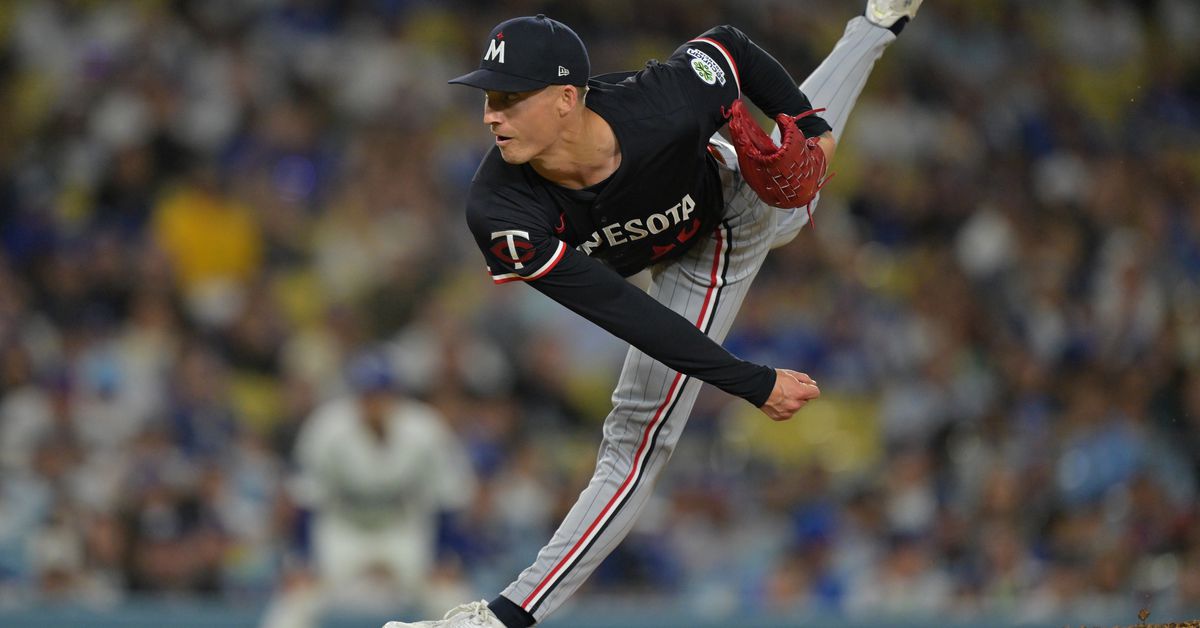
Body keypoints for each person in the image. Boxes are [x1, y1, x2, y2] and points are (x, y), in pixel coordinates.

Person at [386, 1, 923, 626]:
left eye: (509, 98)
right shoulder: (500, 210)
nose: (490, 115)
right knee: (795, 206)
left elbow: (730, 46)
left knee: (637, 436)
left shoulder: (662, 102)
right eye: (488, 98)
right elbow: (625, 311)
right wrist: (748, 380)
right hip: (658, 250)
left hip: (725, 217)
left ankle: (501, 618)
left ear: (566, 98)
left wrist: (810, 125)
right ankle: (876, 25)